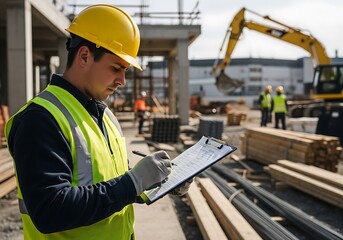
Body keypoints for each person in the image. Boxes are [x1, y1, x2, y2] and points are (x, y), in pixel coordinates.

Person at [5, 5, 191, 240]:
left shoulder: (105, 115)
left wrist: (159, 182)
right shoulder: (40, 119)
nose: (122, 80)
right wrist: (134, 181)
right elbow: (50, 210)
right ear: (84, 56)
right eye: (116, 68)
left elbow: (110, 186)